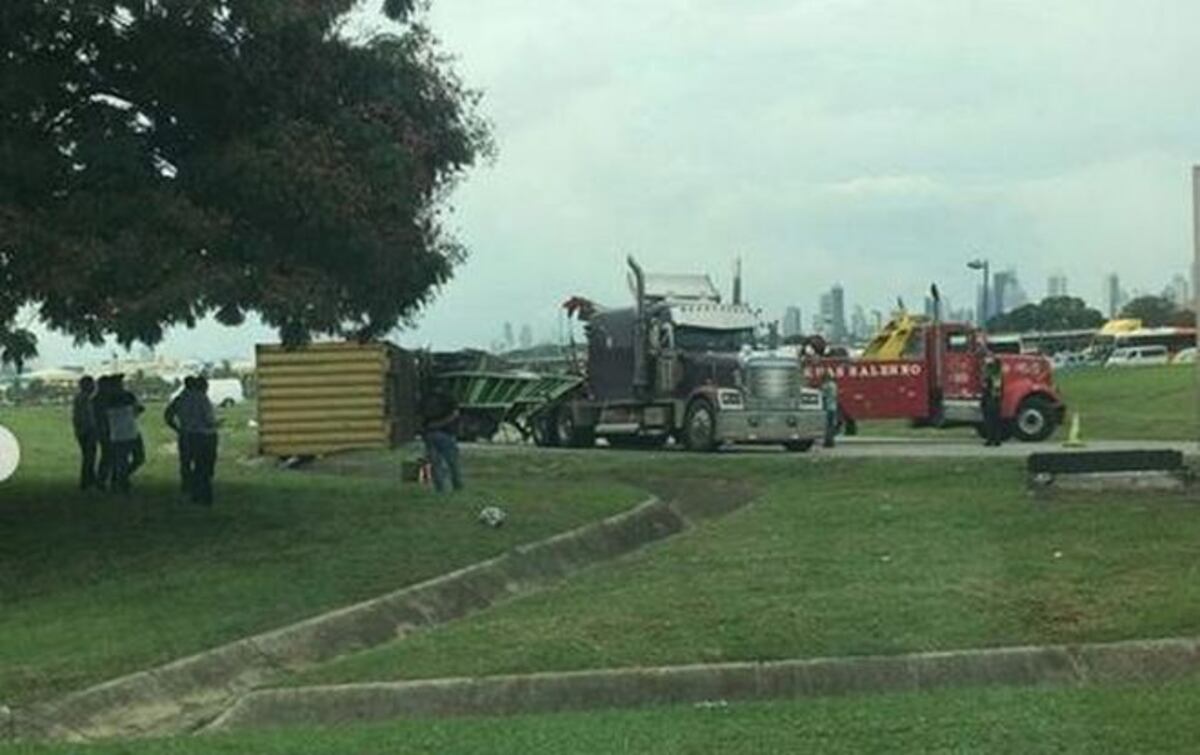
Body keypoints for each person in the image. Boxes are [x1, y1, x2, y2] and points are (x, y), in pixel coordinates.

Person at [105, 375, 145, 493]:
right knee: (128, 461)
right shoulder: (117, 398)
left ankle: (120, 479)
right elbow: (138, 409)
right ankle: (122, 483)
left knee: (136, 459)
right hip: (121, 434)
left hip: (128, 433)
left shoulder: (126, 396)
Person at [419, 384, 463, 494]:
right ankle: (457, 486)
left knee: (435, 463)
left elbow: (419, 414)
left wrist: (425, 429)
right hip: (445, 432)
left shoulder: (426, 397)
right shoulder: (448, 396)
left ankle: (440, 488)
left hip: (430, 433)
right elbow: (455, 413)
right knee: (452, 462)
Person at [187, 377, 220, 506]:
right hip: (206, 436)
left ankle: (195, 494)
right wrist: (217, 423)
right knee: (207, 468)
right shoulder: (203, 399)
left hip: (192, 435)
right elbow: (208, 420)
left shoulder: (188, 399)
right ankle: (206, 497)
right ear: (204, 386)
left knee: (198, 467)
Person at [164, 377, 198, 493]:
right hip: (199, 433)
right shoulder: (199, 399)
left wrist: (177, 428)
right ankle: (196, 484)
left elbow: (168, 416)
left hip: (185, 433)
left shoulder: (179, 399)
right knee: (199, 461)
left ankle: (186, 486)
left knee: (185, 462)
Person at [72, 376, 99, 490]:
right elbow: (86, 416)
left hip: (82, 430)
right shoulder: (84, 399)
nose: (94, 387)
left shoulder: (81, 398)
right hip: (87, 431)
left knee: (89, 456)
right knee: (89, 457)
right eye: (92, 384)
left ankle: (90, 479)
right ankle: (86, 481)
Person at [981, 357, 1005, 447]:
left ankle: (992, 439)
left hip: (991, 401)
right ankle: (995, 440)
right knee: (995, 422)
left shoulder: (993, 376)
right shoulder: (997, 375)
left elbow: (992, 389)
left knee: (991, 422)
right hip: (995, 401)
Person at [820, 371, 839, 449]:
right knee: (831, 425)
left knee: (827, 426)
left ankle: (828, 442)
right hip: (833, 407)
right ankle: (831, 441)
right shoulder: (834, 385)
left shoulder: (825, 386)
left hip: (827, 408)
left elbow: (822, 396)